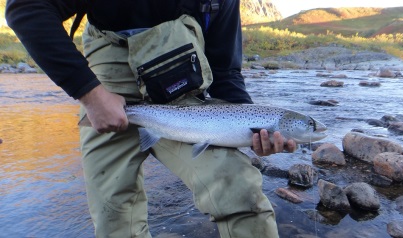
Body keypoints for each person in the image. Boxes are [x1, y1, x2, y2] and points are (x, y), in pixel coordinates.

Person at [6, 0, 297, 237]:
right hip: (105, 90)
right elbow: (26, 8)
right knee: (115, 221)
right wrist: (90, 95)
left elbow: (226, 72)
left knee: (240, 189)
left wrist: (250, 130)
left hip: (184, 95)